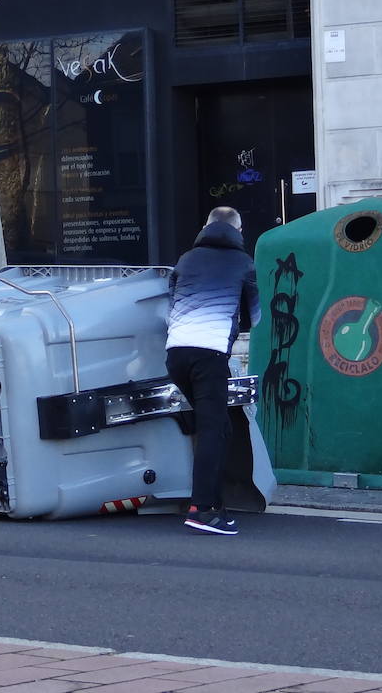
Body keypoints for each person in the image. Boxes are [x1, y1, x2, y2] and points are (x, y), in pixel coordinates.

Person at [165, 205, 260, 535]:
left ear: (205, 227)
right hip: (209, 355)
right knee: (211, 429)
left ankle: (216, 502)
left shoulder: (186, 260)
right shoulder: (244, 264)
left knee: (219, 428)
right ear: (239, 230)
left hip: (176, 353)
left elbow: (170, 304)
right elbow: (255, 316)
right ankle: (201, 509)